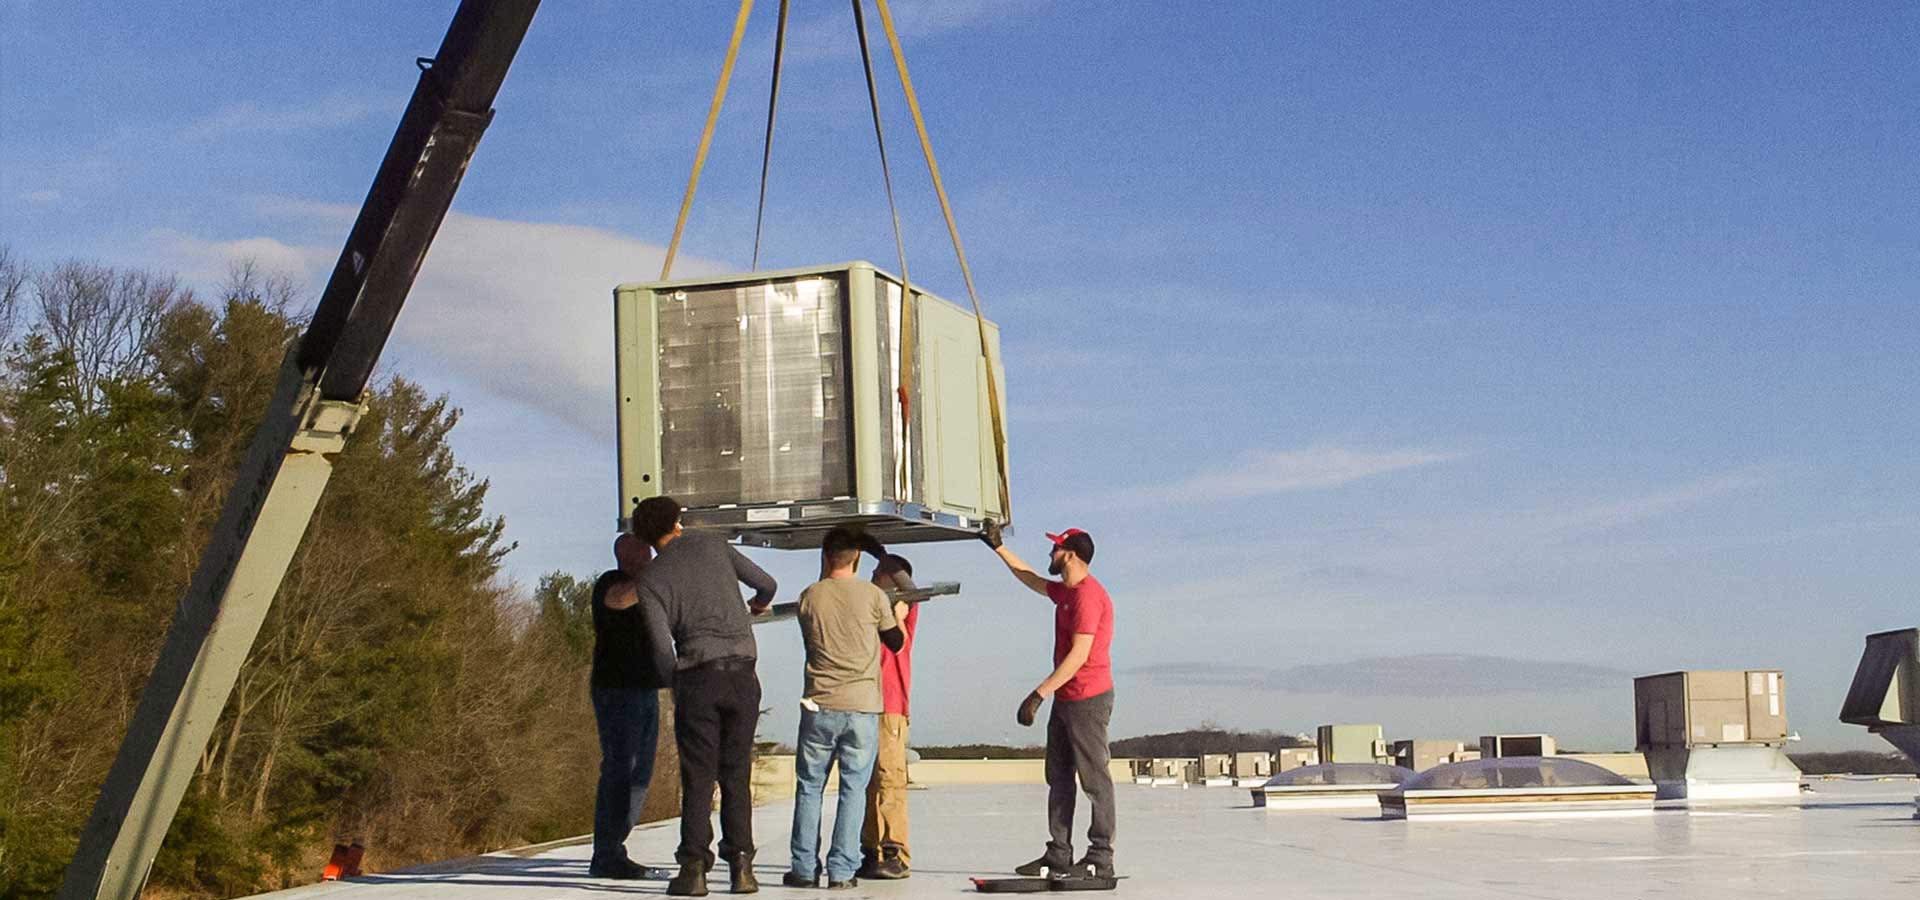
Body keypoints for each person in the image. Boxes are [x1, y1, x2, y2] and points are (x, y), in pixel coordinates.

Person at [633, 496, 778, 897]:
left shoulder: (650, 580)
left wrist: (675, 686)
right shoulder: (713, 544)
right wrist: (757, 606)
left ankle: (694, 870)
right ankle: (742, 867)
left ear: (643, 538)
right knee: (736, 775)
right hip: (743, 674)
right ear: (678, 522)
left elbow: (663, 650)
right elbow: (767, 584)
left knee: (698, 777)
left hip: (697, 678)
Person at [980, 523, 1116, 879]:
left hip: (1089, 698)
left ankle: (1100, 857)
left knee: (1094, 779)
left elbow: (1079, 654)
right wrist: (997, 548)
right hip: (1067, 697)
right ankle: (1059, 853)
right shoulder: (1067, 591)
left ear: (1070, 554)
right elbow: (1031, 579)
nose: (1051, 554)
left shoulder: (1088, 596)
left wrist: (1039, 694)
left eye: (1055, 549)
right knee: (1059, 777)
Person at [784, 527, 904, 890]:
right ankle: (841, 870)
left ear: (825, 557)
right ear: (857, 559)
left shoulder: (809, 596)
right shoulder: (873, 596)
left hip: (819, 704)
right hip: (863, 706)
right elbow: (895, 643)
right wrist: (897, 612)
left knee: (809, 787)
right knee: (853, 789)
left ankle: (804, 868)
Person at [586, 534, 673, 880]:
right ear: (626, 555)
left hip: (645, 690)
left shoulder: (650, 589)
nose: (651, 555)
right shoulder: (613, 583)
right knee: (621, 768)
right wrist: (651, 575)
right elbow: (619, 601)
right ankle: (607, 853)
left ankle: (614, 847)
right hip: (617, 690)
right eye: (644, 551)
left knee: (641, 773)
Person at [859, 553, 918, 880]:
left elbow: (909, 586)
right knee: (868, 783)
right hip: (864, 703)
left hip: (891, 705)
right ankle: (872, 848)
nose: (873, 577)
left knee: (890, 778)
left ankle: (896, 850)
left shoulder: (904, 609)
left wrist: (881, 553)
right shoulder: (867, 610)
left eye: (878, 573)